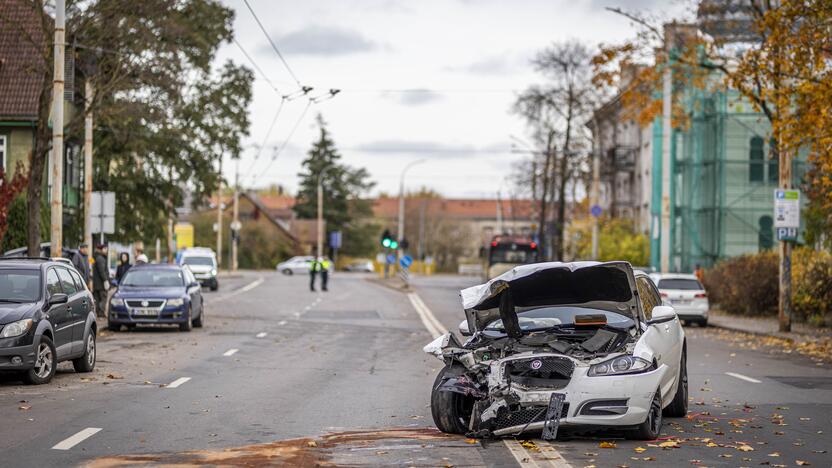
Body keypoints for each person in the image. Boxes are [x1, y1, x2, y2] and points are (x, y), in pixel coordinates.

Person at [92, 244, 111, 318]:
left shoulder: (97, 257)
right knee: (103, 298)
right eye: (105, 249)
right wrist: (105, 280)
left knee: (97, 298)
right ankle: (101, 313)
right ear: (101, 249)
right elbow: (102, 271)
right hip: (101, 284)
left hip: (97, 284)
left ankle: (99, 313)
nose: (106, 250)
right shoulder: (100, 258)